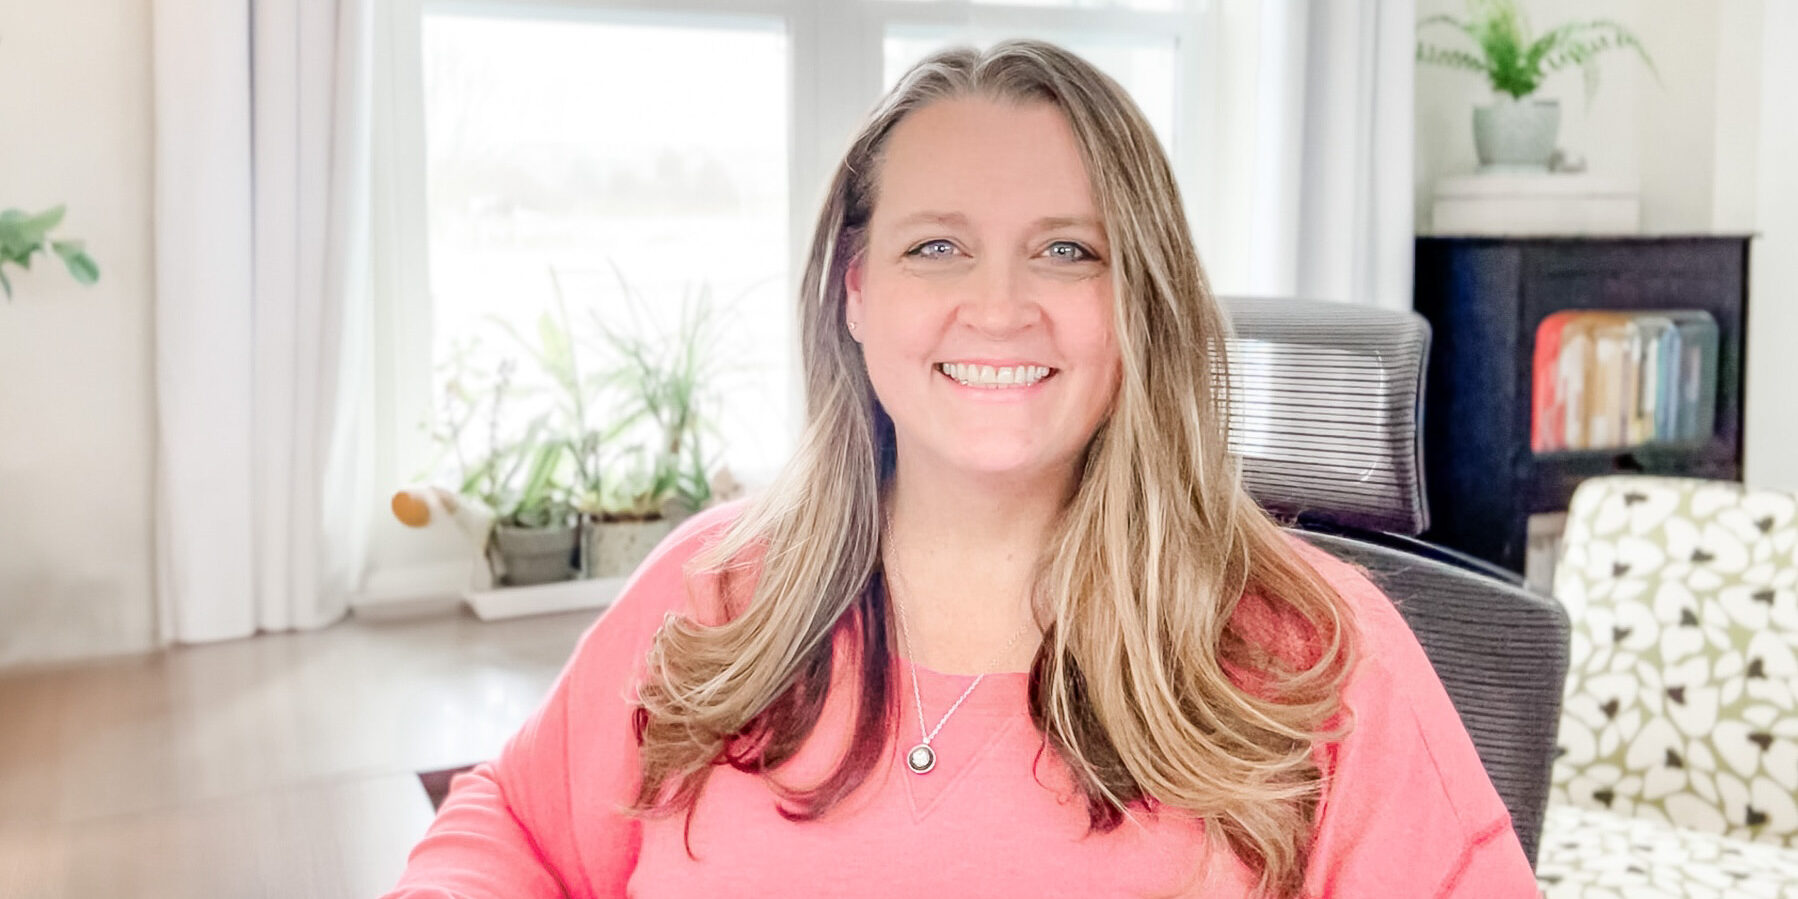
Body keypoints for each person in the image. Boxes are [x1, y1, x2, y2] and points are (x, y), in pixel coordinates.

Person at [386, 40, 1540, 898]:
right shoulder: (715, 590)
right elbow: (517, 830)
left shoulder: (1313, 653)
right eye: (935, 245)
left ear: (1140, 303)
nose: (997, 306)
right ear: (855, 289)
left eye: (1066, 250)